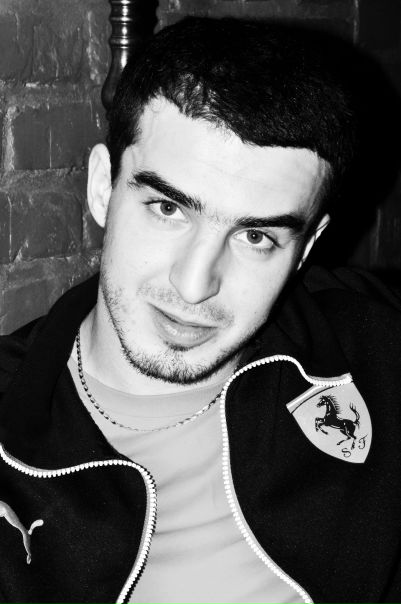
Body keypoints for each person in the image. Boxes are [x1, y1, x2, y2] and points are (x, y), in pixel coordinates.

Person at [0, 16, 400, 604]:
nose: (194, 286)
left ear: (306, 248)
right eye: (167, 209)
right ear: (103, 187)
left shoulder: (374, 351)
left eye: (255, 237)